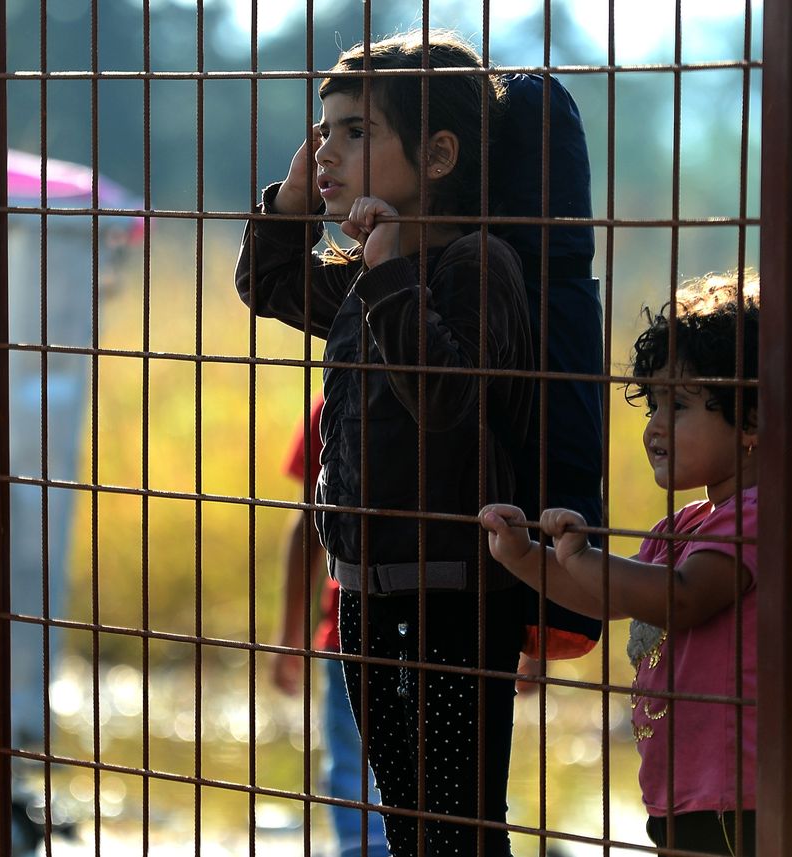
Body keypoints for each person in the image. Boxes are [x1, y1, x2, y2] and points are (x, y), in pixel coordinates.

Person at [236, 30, 535, 856]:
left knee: (459, 822)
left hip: (454, 596)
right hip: (364, 594)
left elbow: (443, 394)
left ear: (438, 154)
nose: (325, 150)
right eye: (322, 129)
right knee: (407, 822)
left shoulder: (480, 264)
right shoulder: (367, 271)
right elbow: (269, 285)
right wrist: (293, 204)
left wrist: (390, 268)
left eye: (354, 131)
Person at [479, 272, 792, 856]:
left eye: (678, 406)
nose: (655, 426)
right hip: (694, 800)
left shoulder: (763, 518)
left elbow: (681, 599)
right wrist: (528, 558)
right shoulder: (683, 526)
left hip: (763, 805)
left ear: (755, 420)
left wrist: (582, 553)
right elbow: (609, 598)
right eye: (652, 403)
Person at [271, 394, 390, 857]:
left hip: (354, 624)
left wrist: (290, 635)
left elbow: (310, 523)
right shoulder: (479, 375)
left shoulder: (344, 385)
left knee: (352, 775)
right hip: (457, 627)